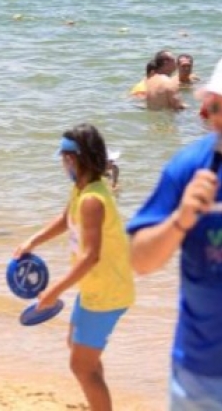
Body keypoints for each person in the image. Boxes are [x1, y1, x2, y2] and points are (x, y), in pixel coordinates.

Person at [13, 124, 135, 411]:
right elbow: (66, 217)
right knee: (80, 353)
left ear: (75, 159)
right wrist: (33, 241)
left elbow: (90, 256)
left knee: (81, 367)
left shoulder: (93, 200)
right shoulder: (82, 188)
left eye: (64, 158)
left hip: (106, 292)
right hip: (95, 287)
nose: (62, 163)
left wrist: (53, 292)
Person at [128, 58, 222, 409]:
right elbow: (139, 260)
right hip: (200, 376)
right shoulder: (188, 168)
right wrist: (180, 219)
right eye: (216, 109)